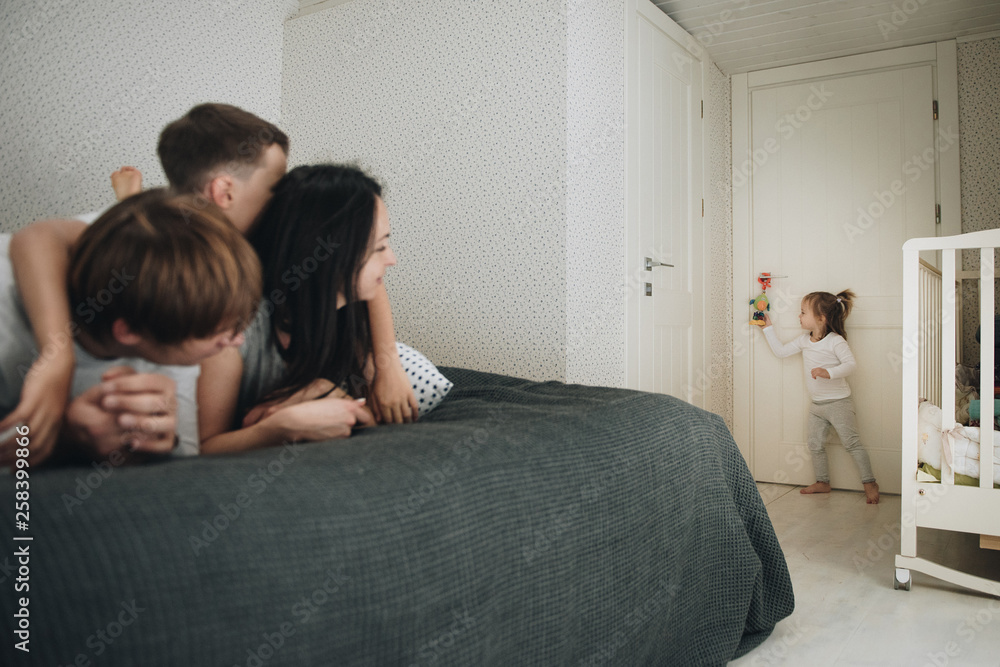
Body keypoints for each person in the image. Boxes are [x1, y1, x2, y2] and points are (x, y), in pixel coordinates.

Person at [5, 103, 416, 465]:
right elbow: (37, 238)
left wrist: (386, 363)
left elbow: (356, 268)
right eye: (275, 188)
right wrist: (56, 359)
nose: (285, 200)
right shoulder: (147, 236)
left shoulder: (228, 273)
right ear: (224, 192)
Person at [0, 190, 261, 461]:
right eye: (215, 333)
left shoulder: (141, 261)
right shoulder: (7, 326)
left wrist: (158, 441)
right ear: (128, 332)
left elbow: (183, 458)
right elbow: (38, 236)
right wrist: (65, 437)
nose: (237, 340)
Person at [197, 164, 392, 453]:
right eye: (380, 248)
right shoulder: (235, 332)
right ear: (333, 255)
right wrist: (278, 429)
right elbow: (203, 450)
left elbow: (371, 421)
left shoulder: (345, 319)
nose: (391, 259)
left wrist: (326, 393)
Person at [760, 290, 879, 504]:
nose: (799, 316)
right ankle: (823, 482)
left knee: (851, 443)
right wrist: (768, 328)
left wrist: (828, 372)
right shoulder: (804, 341)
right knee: (815, 445)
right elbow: (781, 352)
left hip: (839, 403)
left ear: (821, 318)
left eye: (803, 312)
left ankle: (870, 483)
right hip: (817, 406)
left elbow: (851, 365)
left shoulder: (835, 341)